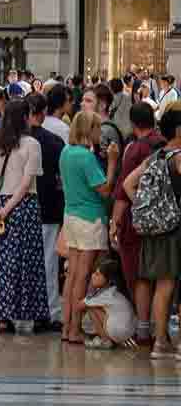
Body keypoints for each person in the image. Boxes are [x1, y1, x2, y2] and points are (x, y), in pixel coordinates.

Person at [0, 99, 50, 334]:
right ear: (25, 117)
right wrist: (7, 209)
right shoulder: (32, 144)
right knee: (30, 262)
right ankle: (34, 313)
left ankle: (4, 316)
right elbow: (26, 183)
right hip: (25, 207)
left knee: (4, 262)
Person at [123, 102, 181, 359]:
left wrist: (150, 208)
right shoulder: (179, 157)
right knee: (172, 285)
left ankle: (160, 342)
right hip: (176, 229)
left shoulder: (156, 156)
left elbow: (128, 184)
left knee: (162, 285)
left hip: (157, 229)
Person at [59, 111, 119, 344]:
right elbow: (104, 189)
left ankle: (67, 327)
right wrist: (112, 162)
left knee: (72, 274)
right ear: (89, 130)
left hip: (71, 216)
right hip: (90, 219)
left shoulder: (67, 152)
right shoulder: (86, 157)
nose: (99, 133)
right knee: (83, 276)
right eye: (96, 129)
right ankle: (74, 328)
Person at [111, 102, 164, 345]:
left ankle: (144, 328)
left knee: (140, 273)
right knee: (163, 276)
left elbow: (124, 190)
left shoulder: (134, 149)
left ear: (133, 123)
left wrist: (115, 221)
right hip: (166, 219)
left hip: (137, 219)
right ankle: (160, 329)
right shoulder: (164, 145)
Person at [26, 92, 66, 332]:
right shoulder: (54, 142)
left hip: (19, 208)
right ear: (43, 113)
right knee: (49, 263)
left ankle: (24, 310)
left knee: (24, 261)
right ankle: (50, 312)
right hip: (49, 207)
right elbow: (61, 179)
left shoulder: (13, 140)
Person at [78, 256, 136, 350]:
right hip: (129, 331)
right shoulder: (115, 291)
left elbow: (79, 306)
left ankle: (105, 340)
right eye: (93, 273)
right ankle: (110, 338)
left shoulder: (105, 294)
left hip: (118, 331)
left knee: (91, 308)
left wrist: (90, 290)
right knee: (102, 308)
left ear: (108, 281)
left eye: (97, 274)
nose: (92, 276)